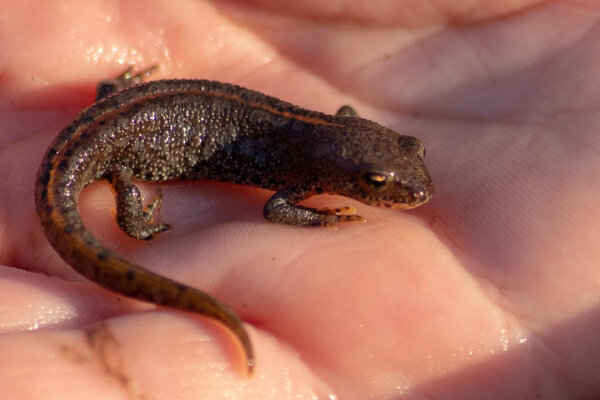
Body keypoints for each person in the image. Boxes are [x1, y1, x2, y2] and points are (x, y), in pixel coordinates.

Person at [0, 0, 598, 398]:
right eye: (381, 186)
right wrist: (317, 219)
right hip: (118, 146)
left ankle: (120, 103)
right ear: (344, 170)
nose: (408, 191)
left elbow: (342, 122)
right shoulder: (311, 167)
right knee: (124, 172)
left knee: (124, 136)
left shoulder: (329, 140)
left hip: (118, 118)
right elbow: (275, 208)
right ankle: (134, 210)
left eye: (398, 168)